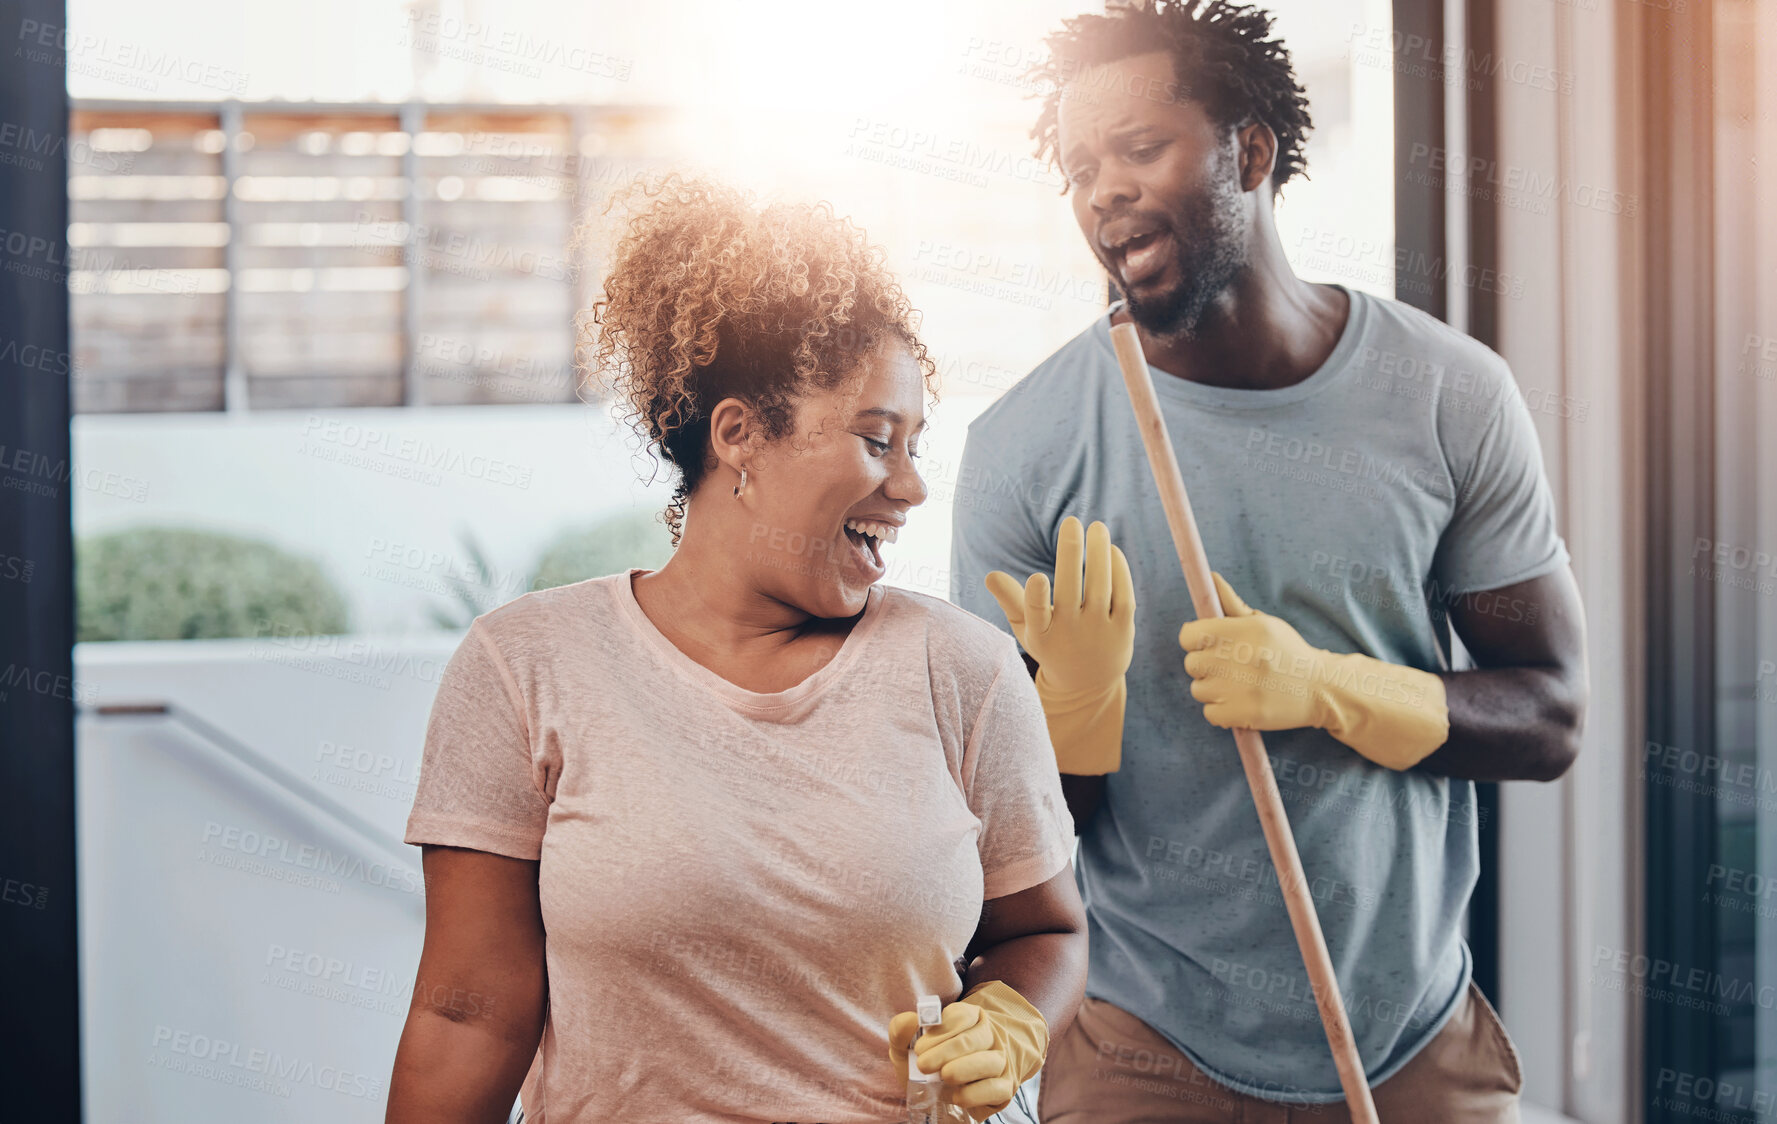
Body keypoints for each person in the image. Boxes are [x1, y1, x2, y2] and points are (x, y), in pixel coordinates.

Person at [950, 3, 1590, 1121]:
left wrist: (1330, 688)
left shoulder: (1448, 394)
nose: (1103, 191)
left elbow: (1549, 716)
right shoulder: (1022, 451)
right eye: (1080, 167)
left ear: (1250, 150)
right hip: (1142, 1055)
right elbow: (1002, 849)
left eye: (1140, 148)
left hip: (1415, 1048)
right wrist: (1076, 709)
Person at [385, 177, 1087, 1124]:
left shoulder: (962, 668)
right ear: (739, 436)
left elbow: (1045, 929)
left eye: (917, 445)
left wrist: (1010, 1017)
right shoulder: (528, 666)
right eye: (879, 441)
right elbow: (467, 1014)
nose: (913, 485)